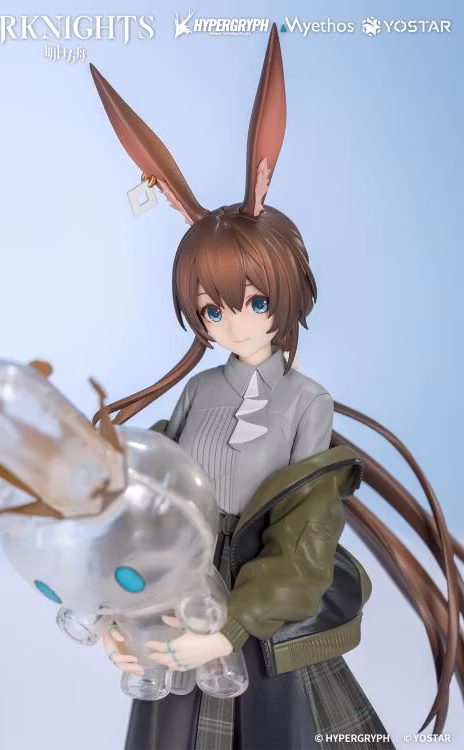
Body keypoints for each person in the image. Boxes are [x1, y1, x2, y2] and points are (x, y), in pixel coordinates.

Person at [90, 24, 463, 750]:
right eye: (212, 308)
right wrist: (118, 609)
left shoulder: (305, 402)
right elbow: (154, 513)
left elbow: (304, 541)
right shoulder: (197, 395)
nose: (233, 321)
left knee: (278, 724)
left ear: (286, 292)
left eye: (254, 300)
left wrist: (231, 624)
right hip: (186, 598)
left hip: (266, 607)